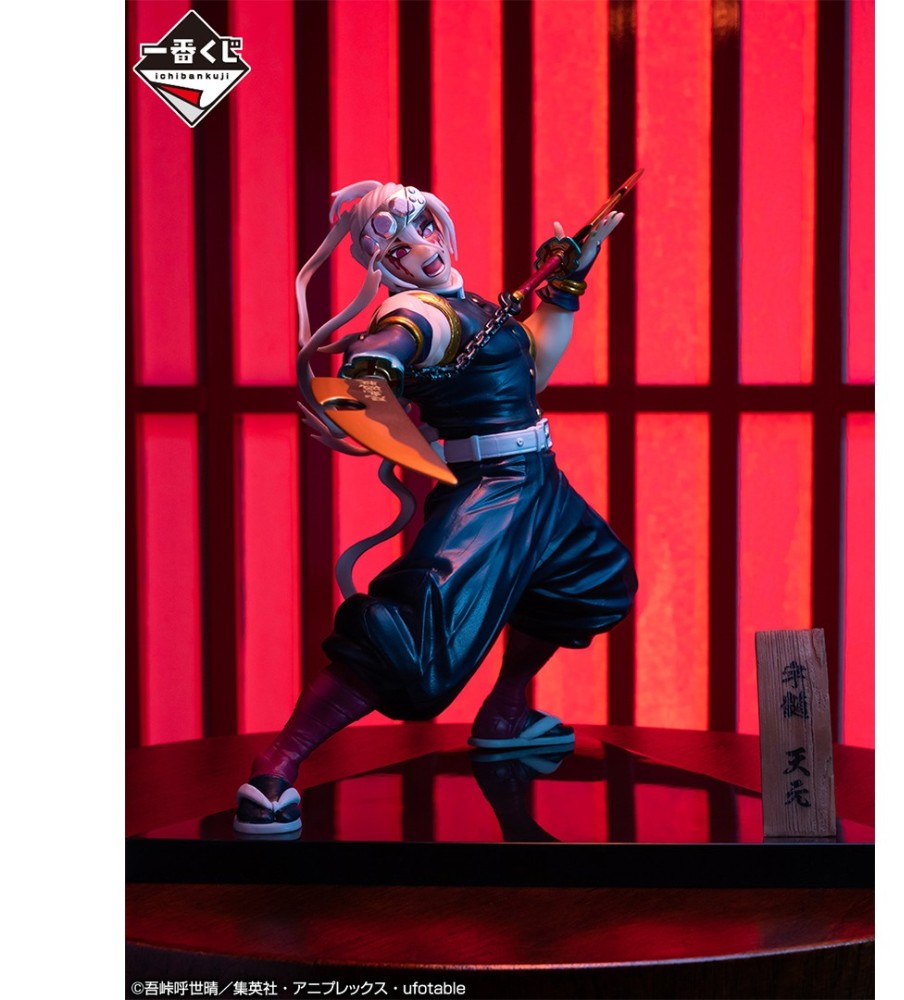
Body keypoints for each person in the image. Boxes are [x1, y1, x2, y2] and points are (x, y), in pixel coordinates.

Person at [234, 181, 637, 834]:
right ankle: (275, 768)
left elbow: (531, 371)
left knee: (593, 581)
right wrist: (377, 389)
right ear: (380, 264)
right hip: (492, 491)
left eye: (423, 228)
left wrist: (564, 285)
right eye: (396, 246)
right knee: (414, 637)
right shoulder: (418, 314)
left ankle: (506, 713)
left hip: (540, 481)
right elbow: (378, 355)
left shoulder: (470, 306)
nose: (421, 247)